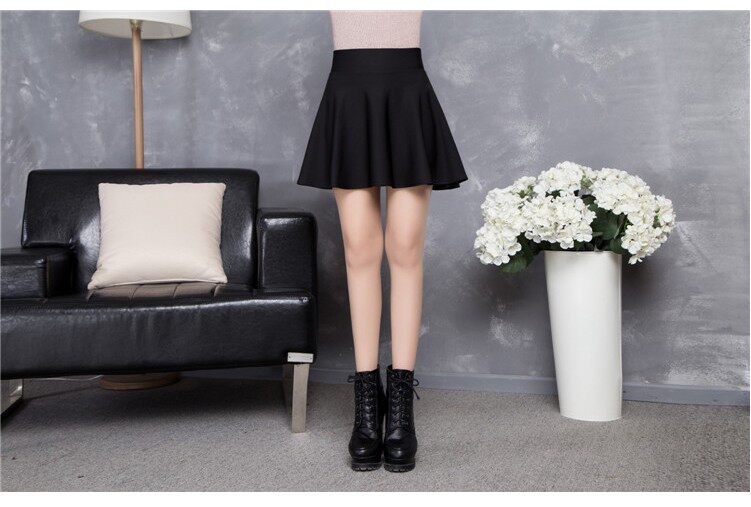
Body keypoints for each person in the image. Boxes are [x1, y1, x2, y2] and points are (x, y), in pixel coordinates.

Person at [297, 11, 467, 473]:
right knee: (359, 251)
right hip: (349, 94)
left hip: (407, 94)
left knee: (406, 249)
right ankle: (368, 410)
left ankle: (402, 413)